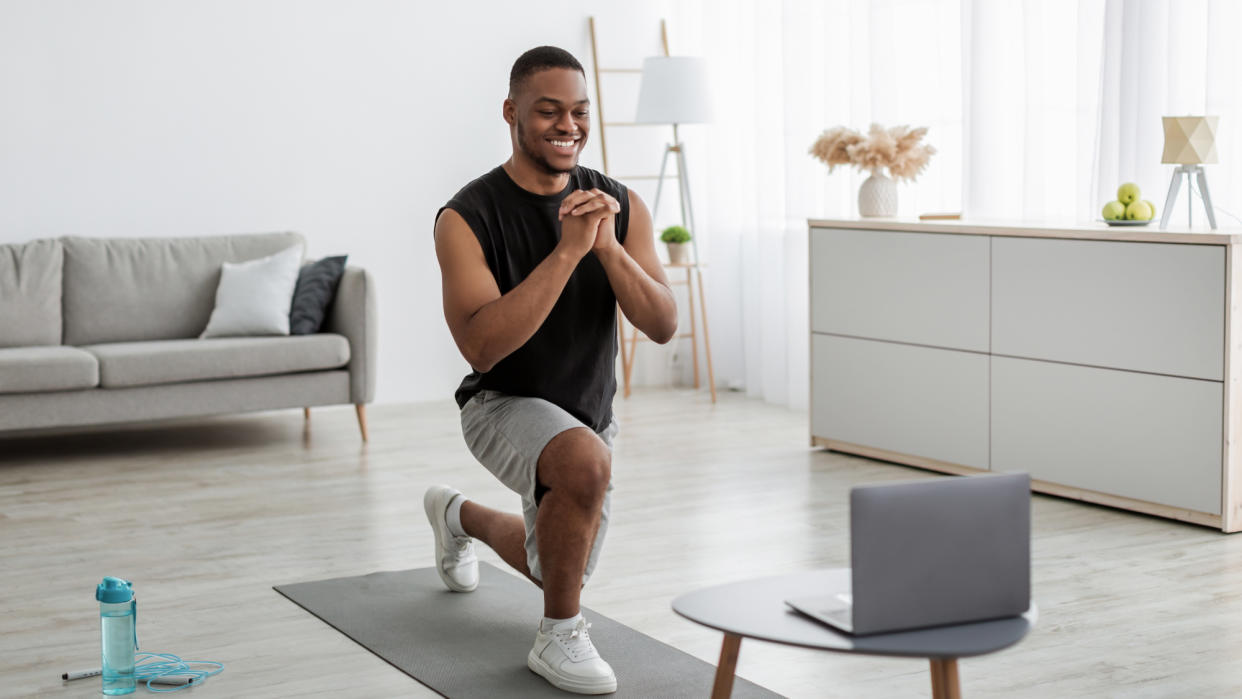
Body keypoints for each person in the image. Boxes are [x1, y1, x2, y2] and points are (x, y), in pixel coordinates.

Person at [425, 46, 678, 695]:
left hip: (589, 413)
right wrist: (568, 253)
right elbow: (482, 348)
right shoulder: (466, 217)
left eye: (578, 112)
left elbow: (663, 323)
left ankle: (458, 517)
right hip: (500, 404)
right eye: (548, 111)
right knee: (584, 467)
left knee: (557, 561)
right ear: (511, 113)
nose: (567, 125)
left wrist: (609, 250)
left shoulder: (618, 203)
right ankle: (558, 635)